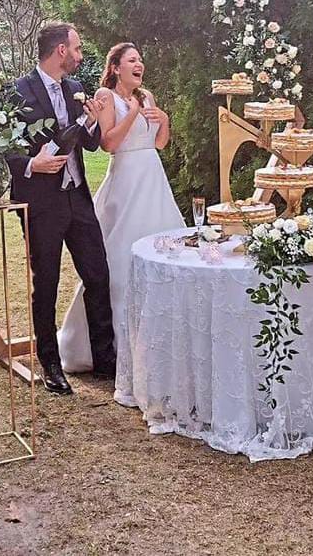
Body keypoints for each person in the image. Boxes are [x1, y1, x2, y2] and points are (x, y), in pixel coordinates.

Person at [58, 42, 185, 404]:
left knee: (166, 258)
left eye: (140, 60)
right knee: (117, 265)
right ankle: (108, 349)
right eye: (132, 60)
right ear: (115, 68)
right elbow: (109, 144)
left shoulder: (147, 95)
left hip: (153, 179)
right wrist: (133, 113)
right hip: (126, 182)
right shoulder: (106, 96)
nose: (139, 64)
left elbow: (159, 143)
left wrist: (164, 121)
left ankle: (158, 347)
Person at [6, 22, 116, 396]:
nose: (81, 56)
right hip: (42, 204)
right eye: (77, 48)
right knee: (47, 283)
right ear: (60, 51)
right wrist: (30, 164)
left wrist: (92, 119)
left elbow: (90, 143)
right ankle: (51, 365)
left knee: (98, 275)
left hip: (78, 197)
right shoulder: (17, 92)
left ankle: (105, 360)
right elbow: (0, 146)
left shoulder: (74, 88)